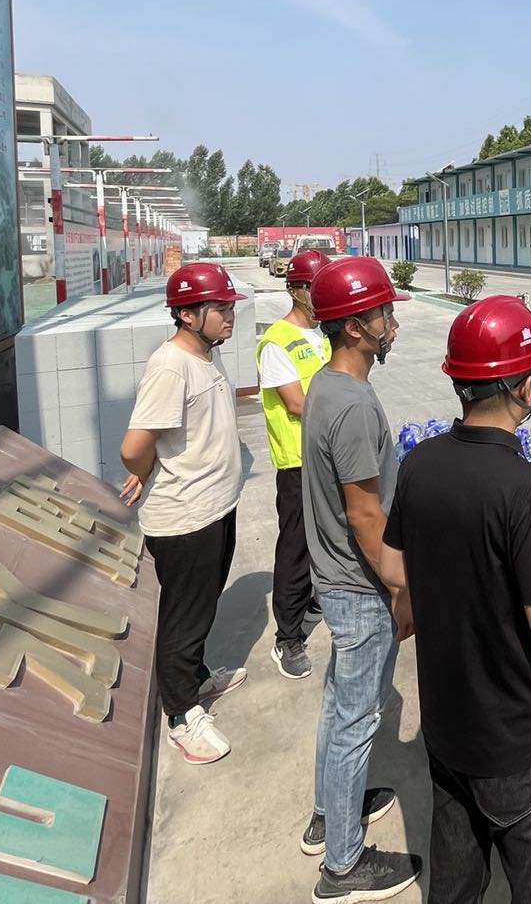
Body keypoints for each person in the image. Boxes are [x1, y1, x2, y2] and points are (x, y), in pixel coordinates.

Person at [380, 297, 531, 904]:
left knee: (457, 880)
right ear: (526, 387)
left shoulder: (420, 464)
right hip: (515, 737)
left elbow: (393, 567)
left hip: (447, 725)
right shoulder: (526, 487)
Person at [298, 257, 420, 902]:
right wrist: (401, 588)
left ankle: (329, 813)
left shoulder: (327, 386)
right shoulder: (351, 407)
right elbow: (365, 514)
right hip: (359, 586)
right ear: (353, 327)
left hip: (336, 576)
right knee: (357, 719)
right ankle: (343, 866)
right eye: (382, 314)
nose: (390, 324)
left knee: (338, 705)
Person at [121, 262, 251, 765]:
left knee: (202, 607)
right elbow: (134, 446)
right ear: (187, 314)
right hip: (186, 517)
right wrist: (143, 469)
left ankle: (195, 678)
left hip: (215, 506)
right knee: (184, 617)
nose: (228, 315)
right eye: (219, 308)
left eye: (229, 306)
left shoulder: (204, 356)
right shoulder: (170, 366)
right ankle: (180, 714)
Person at [257, 247, 331, 680]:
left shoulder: (324, 336)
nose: (320, 295)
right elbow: (297, 403)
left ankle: (318, 602)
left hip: (328, 455)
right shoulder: (277, 341)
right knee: (296, 547)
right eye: (313, 288)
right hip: (298, 462)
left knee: (334, 535)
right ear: (294, 290)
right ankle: (287, 636)